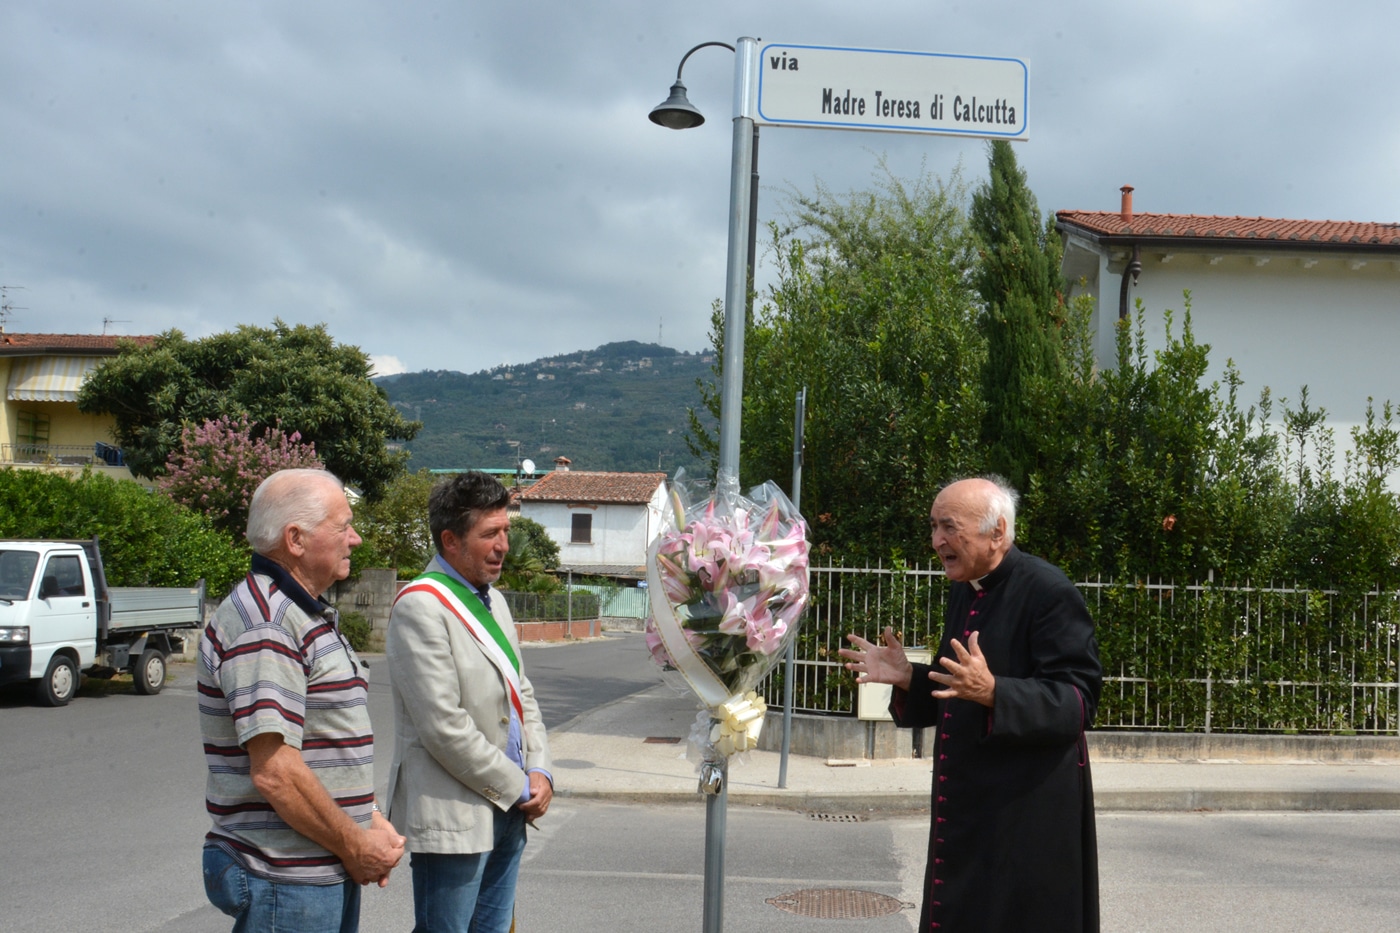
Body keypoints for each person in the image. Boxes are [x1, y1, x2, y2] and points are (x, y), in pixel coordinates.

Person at [839, 476, 1102, 932]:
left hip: (1025, 819)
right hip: (968, 809)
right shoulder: (967, 589)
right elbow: (957, 689)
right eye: (934, 527)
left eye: (949, 527)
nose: (937, 540)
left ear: (997, 532)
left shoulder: (1048, 591)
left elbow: (1078, 701)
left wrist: (997, 691)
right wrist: (908, 678)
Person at [198, 468, 406, 933]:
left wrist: (367, 817)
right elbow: (276, 772)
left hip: (310, 873)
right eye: (343, 526)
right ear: (295, 539)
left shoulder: (298, 612)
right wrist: (355, 843)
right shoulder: (268, 624)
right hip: (286, 881)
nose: (354, 539)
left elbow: (323, 742)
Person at [386, 471, 553, 933]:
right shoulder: (420, 606)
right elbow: (443, 726)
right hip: (455, 815)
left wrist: (540, 769)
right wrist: (518, 784)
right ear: (450, 540)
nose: (503, 545)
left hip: (510, 807)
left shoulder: (495, 602)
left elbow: (522, 695)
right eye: (489, 534)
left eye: (506, 532)